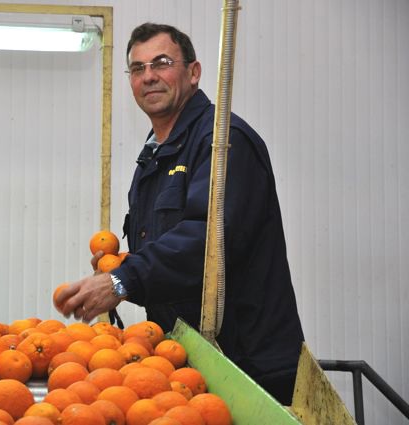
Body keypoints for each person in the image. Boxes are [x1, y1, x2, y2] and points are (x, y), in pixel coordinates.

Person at [56, 22, 304, 405]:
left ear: (193, 72)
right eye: (137, 68)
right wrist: (121, 267)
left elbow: (208, 241)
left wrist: (122, 280)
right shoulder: (155, 156)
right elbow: (171, 255)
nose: (148, 76)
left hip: (246, 367)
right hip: (188, 360)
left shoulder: (223, 142)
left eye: (161, 63)